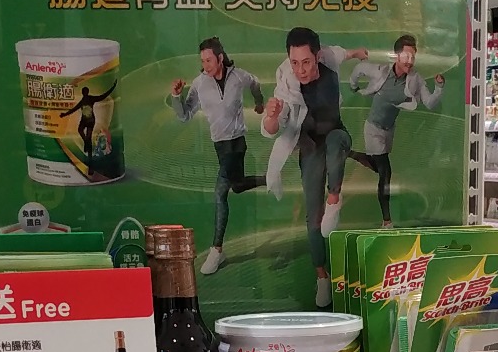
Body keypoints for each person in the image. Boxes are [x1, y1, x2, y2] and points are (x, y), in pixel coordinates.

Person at [261, 26, 368, 308]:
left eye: (306, 62)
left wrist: (359, 53)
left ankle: (334, 198)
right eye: (294, 62)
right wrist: (271, 116)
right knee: (313, 219)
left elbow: (344, 53)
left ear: (318, 56)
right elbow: (273, 127)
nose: (301, 70)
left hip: (337, 135)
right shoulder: (287, 86)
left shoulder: (329, 58)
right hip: (309, 147)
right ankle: (322, 276)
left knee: (335, 142)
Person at [166, 37, 265, 276]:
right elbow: (185, 115)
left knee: (220, 192)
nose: (205, 65)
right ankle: (269, 179)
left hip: (237, 143)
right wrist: (177, 97)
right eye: (202, 61)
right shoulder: (199, 84)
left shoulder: (238, 76)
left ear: (220, 58)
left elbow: (255, 82)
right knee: (237, 186)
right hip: (219, 146)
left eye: (209, 60)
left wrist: (259, 102)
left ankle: (216, 249)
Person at [347, 35, 444, 227]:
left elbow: (430, 103)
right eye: (406, 56)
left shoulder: (415, 79)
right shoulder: (380, 71)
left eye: (413, 57)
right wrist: (353, 86)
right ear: (397, 56)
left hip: (389, 130)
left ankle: (351, 153)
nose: (410, 61)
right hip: (373, 128)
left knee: (377, 165)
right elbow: (359, 69)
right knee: (385, 172)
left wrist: (439, 87)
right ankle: (387, 221)